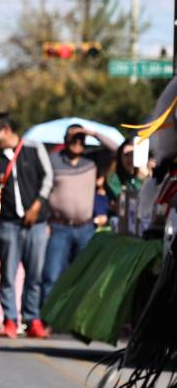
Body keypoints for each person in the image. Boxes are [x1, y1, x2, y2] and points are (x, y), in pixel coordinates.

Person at [0, 112, 52, 339]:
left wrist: (37, 206)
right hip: (7, 222)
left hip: (36, 222)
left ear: (6, 130)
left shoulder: (33, 148)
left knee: (35, 274)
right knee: (7, 274)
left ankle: (33, 319)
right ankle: (10, 320)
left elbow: (48, 178)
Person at [41, 124, 118, 305]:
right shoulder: (52, 160)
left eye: (81, 138)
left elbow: (117, 149)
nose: (77, 142)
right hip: (59, 227)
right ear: (65, 140)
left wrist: (92, 133)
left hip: (86, 228)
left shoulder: (91, 161)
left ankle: (76, 316)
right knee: (52, 275)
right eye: (73, 138)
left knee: (85, 275)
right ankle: (48, 315)